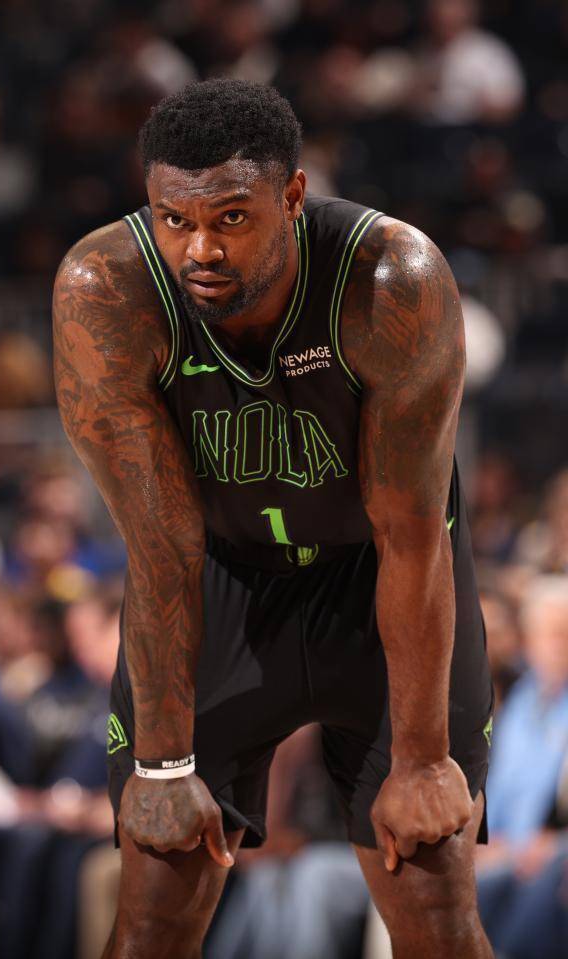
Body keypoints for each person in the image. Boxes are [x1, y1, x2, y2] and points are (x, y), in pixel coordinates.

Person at [53, 78, 494, 959]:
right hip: (216, 584)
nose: (200, 248)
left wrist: (420, 759)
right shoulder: (105, 291)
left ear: (292, 195)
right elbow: (160, 544)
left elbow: (412, 534)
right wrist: (164, 765)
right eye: (175, 220)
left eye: (231, 218)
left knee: (437, 919)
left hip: (378, 581)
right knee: (149, 924)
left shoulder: (393, 280)